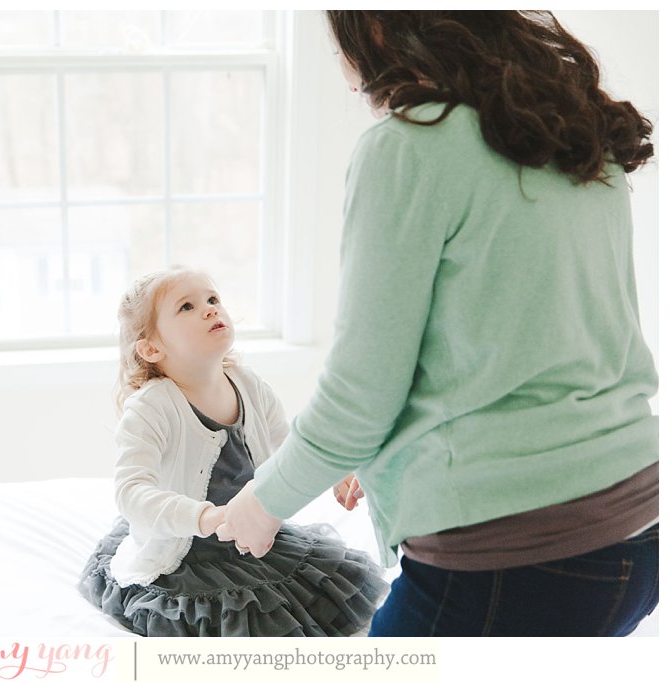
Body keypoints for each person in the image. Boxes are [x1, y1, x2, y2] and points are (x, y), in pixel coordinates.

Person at [217, 10, 658, 636]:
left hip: (513, 555)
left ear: (375, 30)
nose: (341, 66)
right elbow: (528, 348)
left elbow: (358, 402)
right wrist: (396, 462)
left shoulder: (408, 146)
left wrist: (260, 504)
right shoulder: (568, 128)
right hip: (636, 531)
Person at [78, 266, 388, 636]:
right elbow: (131, 493)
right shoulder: (151, 407)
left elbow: (287, 450)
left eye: (212, 299)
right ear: (151, 347)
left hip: (252, 536)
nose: (210, 309)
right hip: (186, 554)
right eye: (187, 307)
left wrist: (334, 473)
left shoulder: (247, 384)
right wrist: (207, 517)